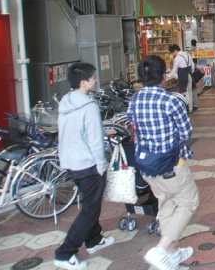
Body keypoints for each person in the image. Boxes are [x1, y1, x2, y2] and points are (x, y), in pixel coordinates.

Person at [129, 55, 198, 270]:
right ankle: (161, 249)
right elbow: (187, 132)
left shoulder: (135, 99)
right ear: (163, 75)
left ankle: (172, 253)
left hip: (147, 165)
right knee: (188, 202)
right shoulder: (171, 100)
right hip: (170, 164)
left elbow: (134, 129)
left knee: (166, 202)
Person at [54, 63, 115, 270]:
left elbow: (73, 131)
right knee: (90, 209)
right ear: (83, 82)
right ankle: (65, 253)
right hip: (88, 163)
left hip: (70, 162)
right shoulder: (89, 106)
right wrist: (101, 165)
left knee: (90, 203)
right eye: (92, 78)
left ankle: (94, 239)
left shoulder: (66, 102)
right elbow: (95, 140)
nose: (95, 80)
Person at [168, 44, 198, 113]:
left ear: (175, 50)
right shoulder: (187, 54)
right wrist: (191, 71)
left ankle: (189, 108)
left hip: (183, 76)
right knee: (189, 91)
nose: (173, 54)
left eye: (172, 52)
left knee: (185, 91)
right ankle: (191, 107)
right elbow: (193, 65)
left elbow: (174, 70)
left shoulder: (177, 58)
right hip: (190, 75)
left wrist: (168, 76)